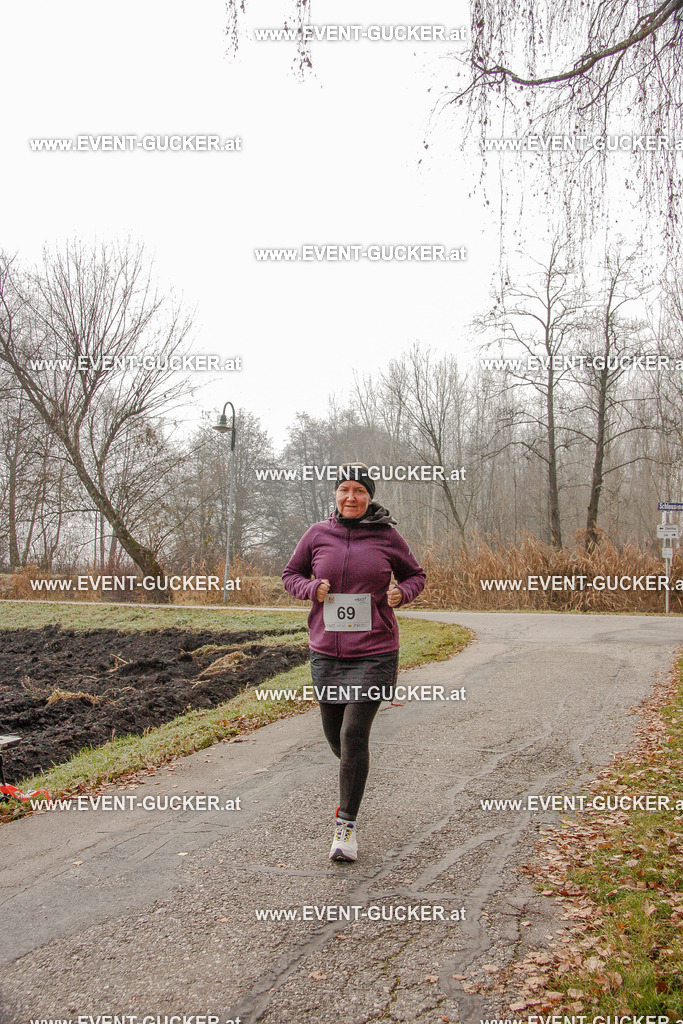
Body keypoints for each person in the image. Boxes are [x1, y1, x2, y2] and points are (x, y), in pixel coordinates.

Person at [282, 463, 426, 861]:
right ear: (335, 494)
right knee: (336, 739)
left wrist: (403, 594)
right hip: (326, 652)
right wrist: (311, 588)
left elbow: (416, 575)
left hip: (376, 651)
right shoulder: (317, 534)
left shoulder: (387, 535)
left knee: (352, 736)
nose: (351, 497)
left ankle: (345, 827)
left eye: (359, 491)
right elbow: (290, 574)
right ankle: (355, 775)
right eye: (344, 489)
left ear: (369, 496)